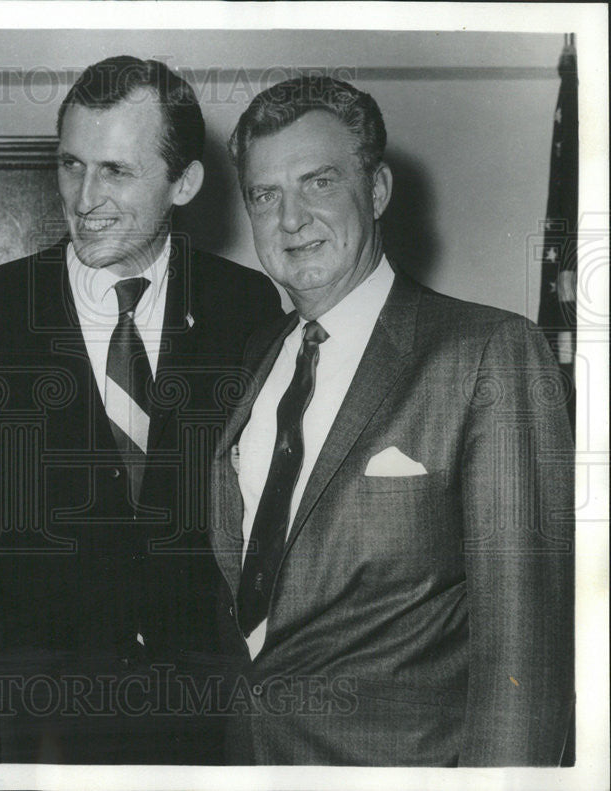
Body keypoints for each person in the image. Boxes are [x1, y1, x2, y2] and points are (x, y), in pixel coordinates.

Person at [211, 75, 575, 765]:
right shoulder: (260, 356)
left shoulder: (487, 353)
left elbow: (527, 659)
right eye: (265, 195)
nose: (289, 220)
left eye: (317, 182)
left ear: (376, 190)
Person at [0, 55, 283, 764]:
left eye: (117, 171)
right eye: (71, 165)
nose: (84, 197)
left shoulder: (244, 307)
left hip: (204, 732)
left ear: (183, 182)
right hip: (37, 738)